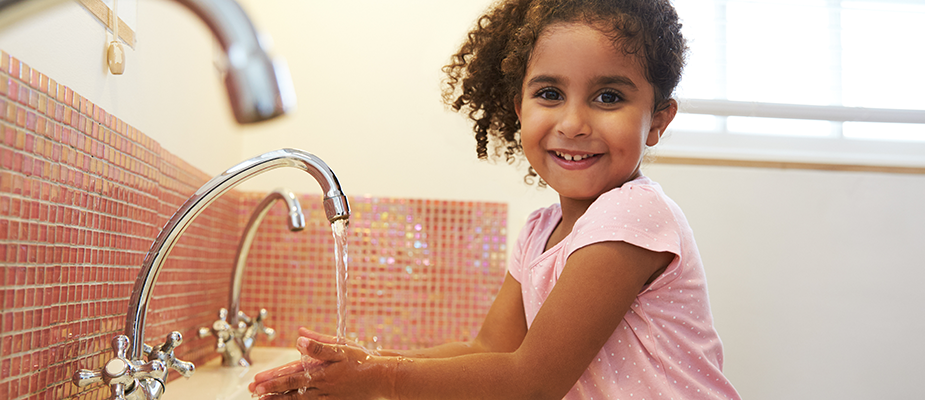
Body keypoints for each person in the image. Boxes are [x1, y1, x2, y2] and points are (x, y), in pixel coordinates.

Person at [249, 0, 741, 398]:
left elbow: (530, 381)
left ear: (657, 119)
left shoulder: (632, 215)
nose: (572, 123)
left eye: (608, 96)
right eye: (549, 93)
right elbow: (489, 348)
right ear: (518, 109)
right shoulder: (539, 231)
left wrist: (381, 379)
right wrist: (366, 365)